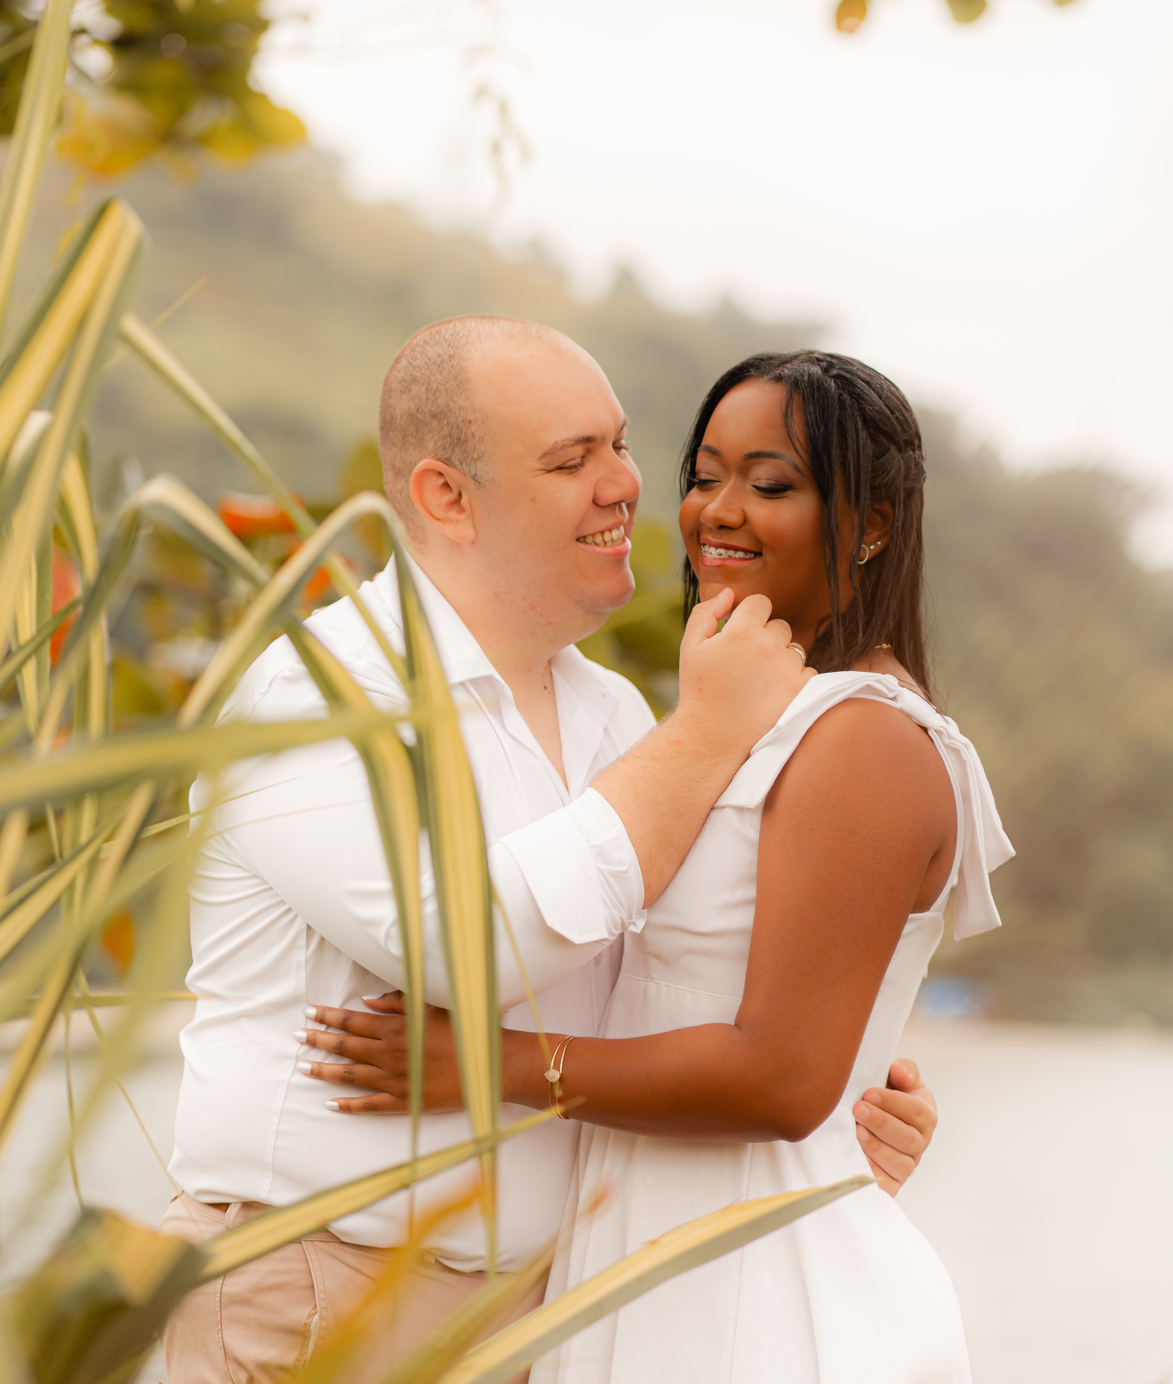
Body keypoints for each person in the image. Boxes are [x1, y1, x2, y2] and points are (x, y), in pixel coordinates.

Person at [163, 322, 939, 1382]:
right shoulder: (318, 697)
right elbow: (467, 947)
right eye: (573, 460)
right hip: (317, 1296)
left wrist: (833, 1103)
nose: (626, 484)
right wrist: (709, 733)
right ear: (447, 498)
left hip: (543, 1319)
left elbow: (660, 984)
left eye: (621, 447)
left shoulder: (617, 715)